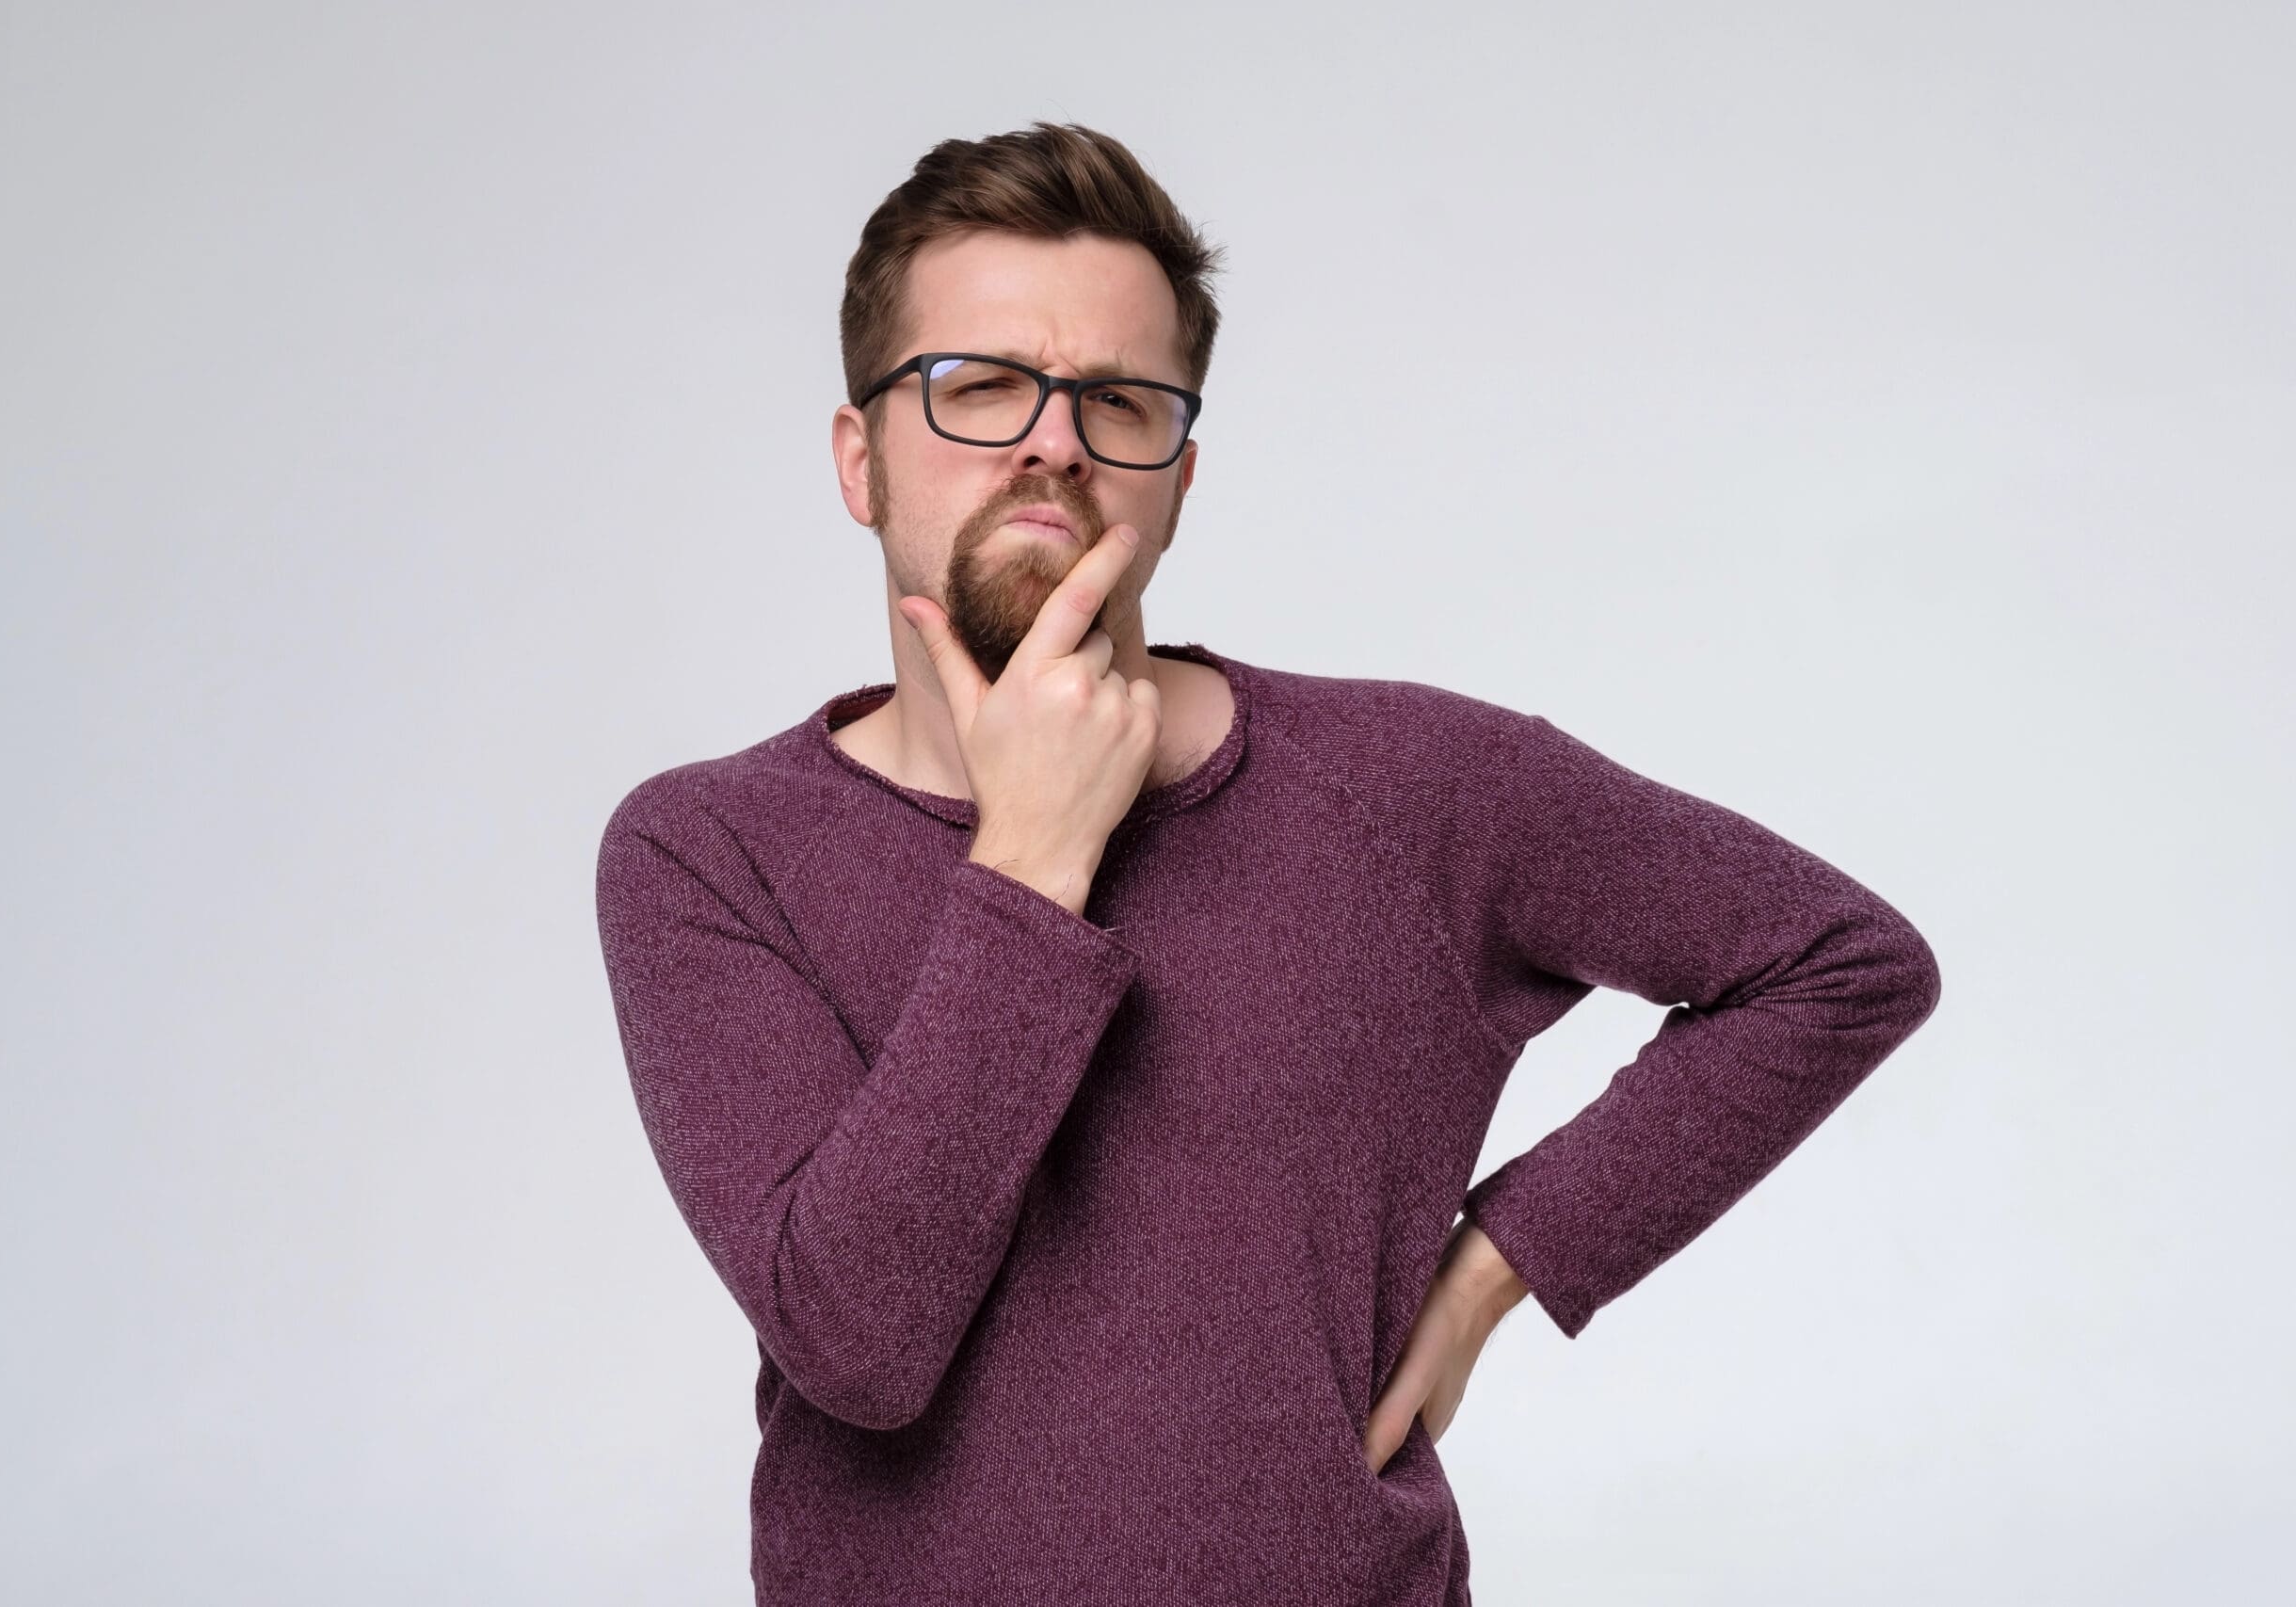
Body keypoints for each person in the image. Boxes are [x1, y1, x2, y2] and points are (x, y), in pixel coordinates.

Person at [593, 121, 1941, 1607]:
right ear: (862, 461)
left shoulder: (1418, 791)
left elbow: (1840, 963)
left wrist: (1504, 1259)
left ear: (1178, 474)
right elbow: (856, 1342)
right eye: (977, 389)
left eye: (1118, 400)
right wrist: (1034, 859)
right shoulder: (707, 853)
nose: (1052, 440)